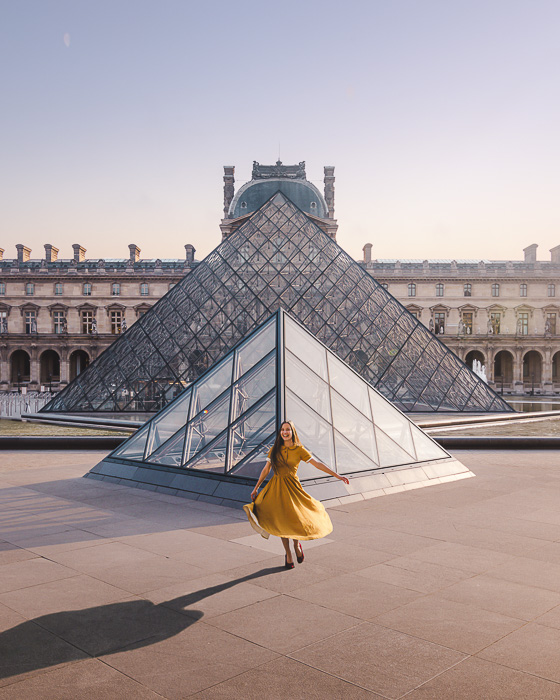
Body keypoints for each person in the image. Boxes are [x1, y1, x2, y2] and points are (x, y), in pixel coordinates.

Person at [243, 420, 349, 569]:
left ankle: (296, 545)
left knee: (295, 520)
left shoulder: (299, 450)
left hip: (293, 489)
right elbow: (266, 470)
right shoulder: (274, 449)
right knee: (281, 522)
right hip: (276, 489)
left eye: (287, 430)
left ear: (293, 432)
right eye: (282, 430)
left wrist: (337, 475)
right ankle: (288, 554)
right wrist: (256, 488)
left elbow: (317, 464)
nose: (284, 432)